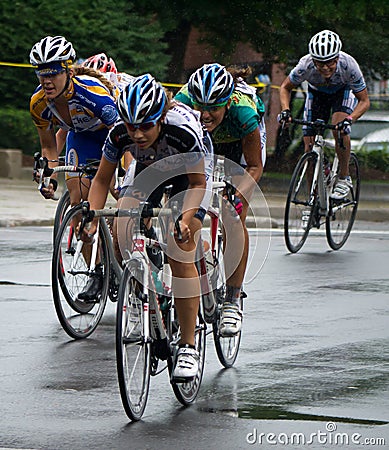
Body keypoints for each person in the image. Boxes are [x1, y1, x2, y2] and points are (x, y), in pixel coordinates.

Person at [82, 74, 213, 379]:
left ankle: (189, 346)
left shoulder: (183, 132)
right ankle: (145, 295)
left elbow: (197, 183)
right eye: (131, 127)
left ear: (160, 118)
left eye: (145, 126)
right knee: (120, 228)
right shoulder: (119, 134)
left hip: (187, 174)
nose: (137, 134)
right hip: (146, 168)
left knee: (181, 244)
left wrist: (184, 217)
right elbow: (102, 180)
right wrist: (91, 214)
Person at [175, 63, 266, 337]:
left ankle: (233, 299)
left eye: (213, 108)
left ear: (227, 103)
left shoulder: (243, 113)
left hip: (238, 149)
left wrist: (236, 194)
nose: (204, 114)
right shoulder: (181, 104)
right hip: (200, 144)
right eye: (199, 106)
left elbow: (254, 166)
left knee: (233, 217)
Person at [29, 36, 119, 301]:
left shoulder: (92, 94)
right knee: (80, 207)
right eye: (41, 72)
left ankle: (134, 247)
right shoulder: (38, 104)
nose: (46, 79)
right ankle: (99, 273)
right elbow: (48, 148)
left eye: (53, 72)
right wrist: (49, 177)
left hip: (113, 137)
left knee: (121, 193)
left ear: (68, 71)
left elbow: (122, 137)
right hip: (81, 137)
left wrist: (120, 177)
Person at [278, 29, 370, 200]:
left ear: (337, 58)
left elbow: (364, 101)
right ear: (313, 60)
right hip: (317, 94)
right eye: (320, 64)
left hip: (342, 93)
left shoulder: (349, 66)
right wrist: (285, 111)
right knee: (308, 147)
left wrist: (350, 120)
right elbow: (285, 87)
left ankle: (344, 177)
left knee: (338, 128)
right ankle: (313, 197)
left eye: (330, 63)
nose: (325, 68)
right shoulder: (305, 65)